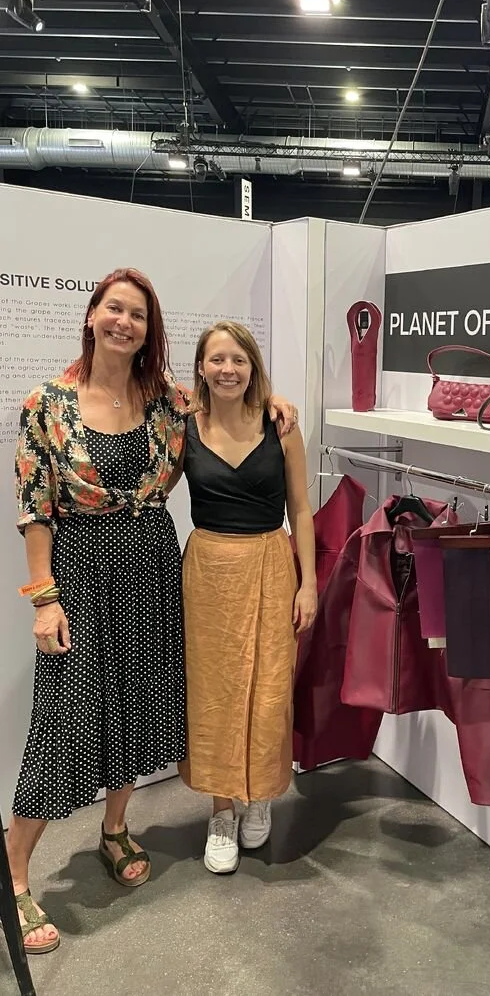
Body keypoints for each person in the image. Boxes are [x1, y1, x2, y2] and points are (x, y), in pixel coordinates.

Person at [8, 269, 298, 954]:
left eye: (138, 314)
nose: (125, 322)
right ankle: (14, 873)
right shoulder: (47, 403)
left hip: (152, 567)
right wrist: (43, 596)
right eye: (115, 308)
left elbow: (232, 394)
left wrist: (274, 400)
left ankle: (114, 829)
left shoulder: (167, 401)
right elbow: (34, 508)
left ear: (149, 330)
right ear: (92, 316)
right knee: (65, 720)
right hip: (78, 571)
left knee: (136, 705)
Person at [178, 320, 317, 874]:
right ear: (202, 368)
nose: (227, 369)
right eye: (217, 360)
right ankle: (220, 810)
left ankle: (258, 795)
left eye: (238, 359)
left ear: (253, 365)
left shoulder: (279, 425)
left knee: (268, 684)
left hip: (269, 562)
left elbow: (302, 510)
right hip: (208, 569)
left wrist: (310, 582)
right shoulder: (183, 425)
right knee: (212, 691)